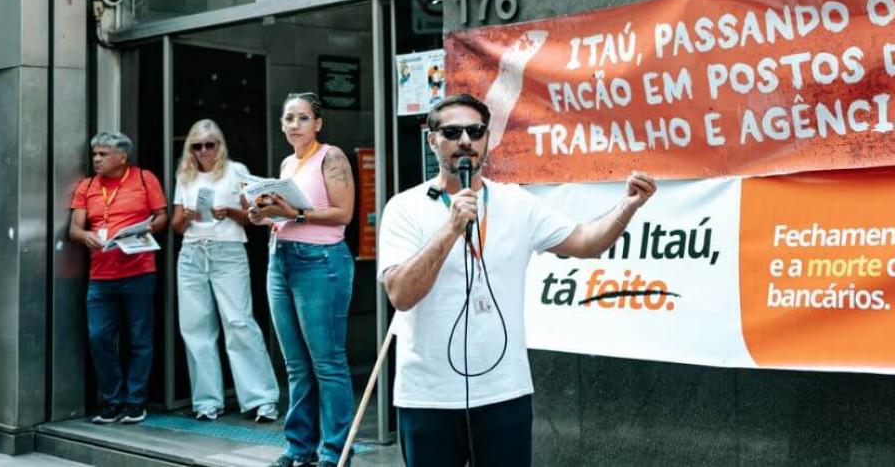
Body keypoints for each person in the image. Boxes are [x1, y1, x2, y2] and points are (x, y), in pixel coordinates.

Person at [377, 93, 658, 467]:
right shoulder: (405, 207)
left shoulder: (516, 202)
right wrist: (450, 229)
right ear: (432, 139)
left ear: (487, 139)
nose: (465, 140)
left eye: (475, 131)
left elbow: (587, 243)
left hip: (503, 392)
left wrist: (628, 206)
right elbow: (401, 294)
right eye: (452, 131)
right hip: (428, 395)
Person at [247, 93, 356, 467]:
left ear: (318, 123)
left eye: (303, 118)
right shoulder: (287, 163)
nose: (295, 125)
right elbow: (289, 218)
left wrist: (294, 213)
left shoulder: (332, 156)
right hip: (281, 260)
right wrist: (266, 216)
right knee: (296, 364)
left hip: (321, 261)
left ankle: (335, 451)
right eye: (288, 118)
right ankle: (299, 448)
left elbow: (344, 213)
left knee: (327, 362)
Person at [171, 119, 280, 423]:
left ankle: (262, 399)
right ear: (190, 148)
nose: (204, 151)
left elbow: (252, 214)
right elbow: (176, 225)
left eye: (210, 144)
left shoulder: (236, 170)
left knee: (239, 323)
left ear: (220, 145)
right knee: (195, 329)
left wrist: (229, 211)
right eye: (197, 145)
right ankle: (206, 402)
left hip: (227, 253)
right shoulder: (185, 174)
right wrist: (189, 216)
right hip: (193, 252)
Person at [68, 131, 168, 425]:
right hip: (100, 277)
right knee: (99, 338)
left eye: (103, 154)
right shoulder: (86, 186)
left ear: (122, 157)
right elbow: (74, 229)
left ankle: (135, 403)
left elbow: (161, 216)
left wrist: (146, 229)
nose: (96, 159)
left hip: (139, 271)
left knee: (140, 339)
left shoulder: (144, 179)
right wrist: (85, 235)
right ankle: (112, 401)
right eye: (95, 154)